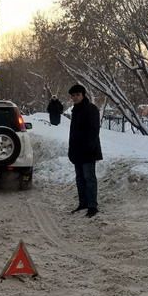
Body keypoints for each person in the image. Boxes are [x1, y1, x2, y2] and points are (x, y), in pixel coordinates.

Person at [67, 84, 102, 217]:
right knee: (80, 178)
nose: (75, 97)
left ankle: (92, 206)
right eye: (73, 95)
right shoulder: (75, 110)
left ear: (83, 95)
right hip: (77, 151)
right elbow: (73, 132)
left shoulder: (91, 109)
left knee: (89, 178)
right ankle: (83, 203)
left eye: (77, 95)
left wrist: (89, 148)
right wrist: (71, 149)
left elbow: (94, 131)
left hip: (88, 151)